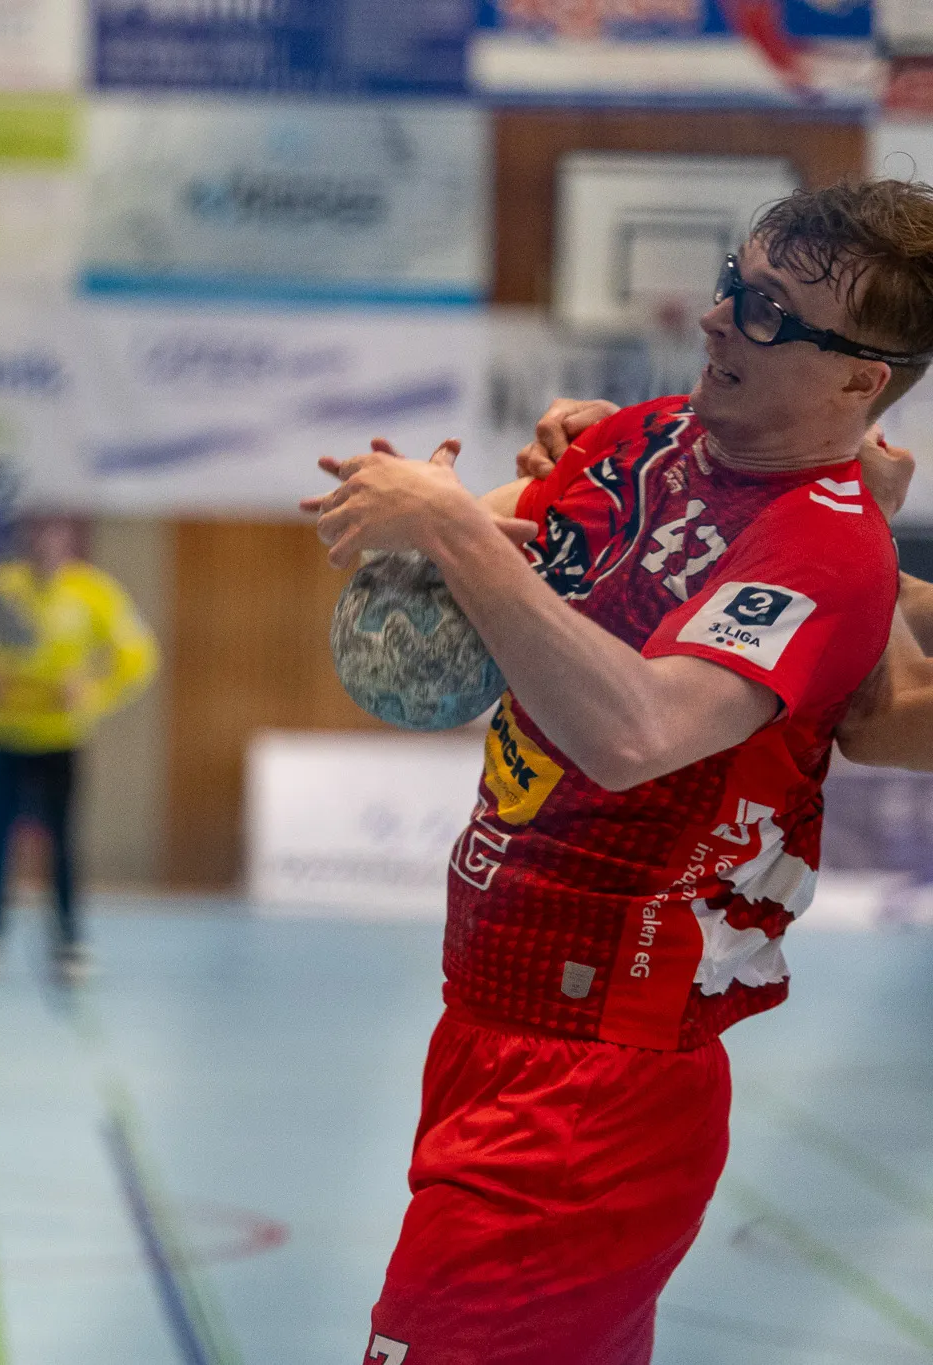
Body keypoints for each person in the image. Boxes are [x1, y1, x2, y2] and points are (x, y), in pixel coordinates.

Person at [305, 178, 933, 1365]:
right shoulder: (639, 438)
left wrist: (448, 528)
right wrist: (445, 530)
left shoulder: (820, 545)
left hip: (593, 1085)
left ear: (860, 381)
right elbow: (475, 568)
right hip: (486, 1023)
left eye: (766, 311)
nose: (715, 316)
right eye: (733, 283)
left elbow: (634, 734)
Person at [0, 513, 158, 981]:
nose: (45, 544)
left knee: (63, 844)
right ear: (24, 540)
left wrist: (93, 691)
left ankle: (69, 943)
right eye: (37, 534)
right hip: (3, 735)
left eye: (55, 535)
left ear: (68, 541)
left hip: (60, 739)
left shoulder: (94, 593)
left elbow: (139, 655)